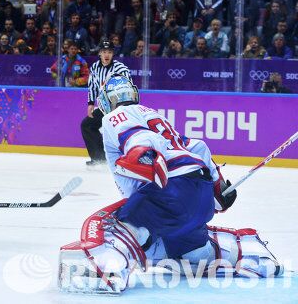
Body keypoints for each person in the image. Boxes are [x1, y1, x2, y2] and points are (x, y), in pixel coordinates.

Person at [58, 75, 283, 294]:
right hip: (198, 196)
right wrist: (218, 189)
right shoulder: (153, 115)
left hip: (172, 192)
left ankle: (104, 270)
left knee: (121, 226)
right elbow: (198, 147)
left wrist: (143, 155)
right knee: (188, 249)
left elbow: (140, 139)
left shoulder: (116, 115)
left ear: (106, 101)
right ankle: (246, 250)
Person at [83, 40, 132, 167]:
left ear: (113, 54)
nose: (107, 54)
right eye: (104, 52)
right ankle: (99, 158)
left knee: (118, 132)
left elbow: (129, 86)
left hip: (120, 108)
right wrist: (91, 103)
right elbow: (92, 87)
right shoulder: (94, 67)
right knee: (87, 125)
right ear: (100, 53)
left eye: (109, 52)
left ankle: (126, 160)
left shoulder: (120, 68)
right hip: (104, 108)